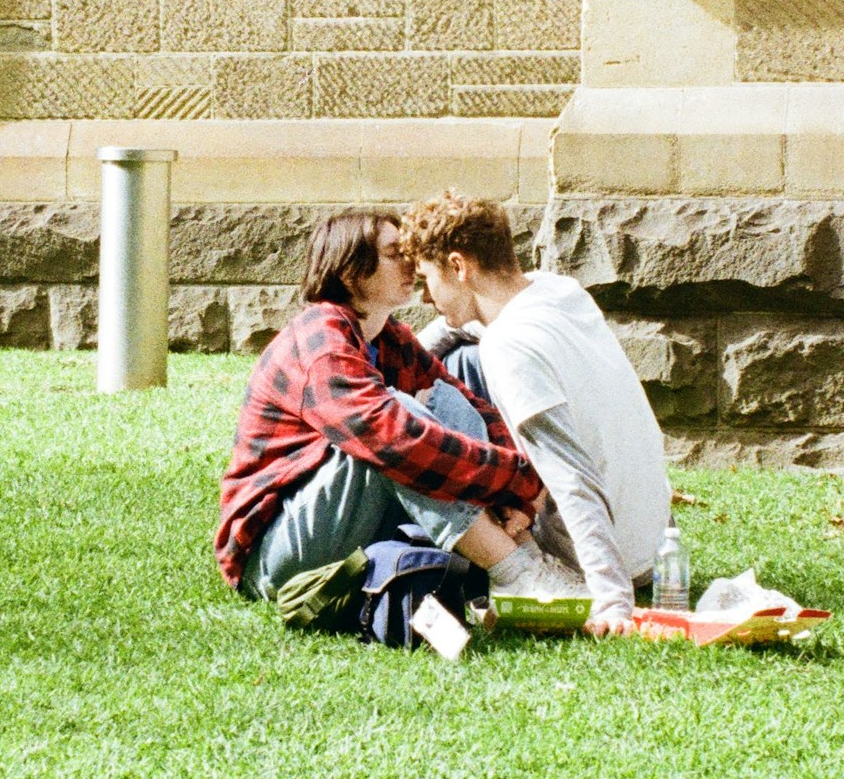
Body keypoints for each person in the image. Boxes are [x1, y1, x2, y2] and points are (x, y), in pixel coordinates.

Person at [214, 209, 574, 603]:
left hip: (346, 521)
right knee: (397, 428)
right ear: (350, 270)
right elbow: (392, 440)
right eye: (394, 253)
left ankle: (523, 555)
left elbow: (473, 407)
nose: (412, 263)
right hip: (275, 556)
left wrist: (516, 494)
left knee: (447, 402)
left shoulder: (390, 338)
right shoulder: (319, 339)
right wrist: (518, 476)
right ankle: (514, 571)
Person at [393, 193, 672, 637]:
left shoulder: (511, 347)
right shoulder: (557, 291)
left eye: (428, 279)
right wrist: (398, 356)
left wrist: (613, 601)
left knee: (395, 431)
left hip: (596, 559)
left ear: (459, 266)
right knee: (462, 358)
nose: (426, 296)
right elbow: (456, 326)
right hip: (651, 547)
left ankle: (524, 566)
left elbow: (573, 477)